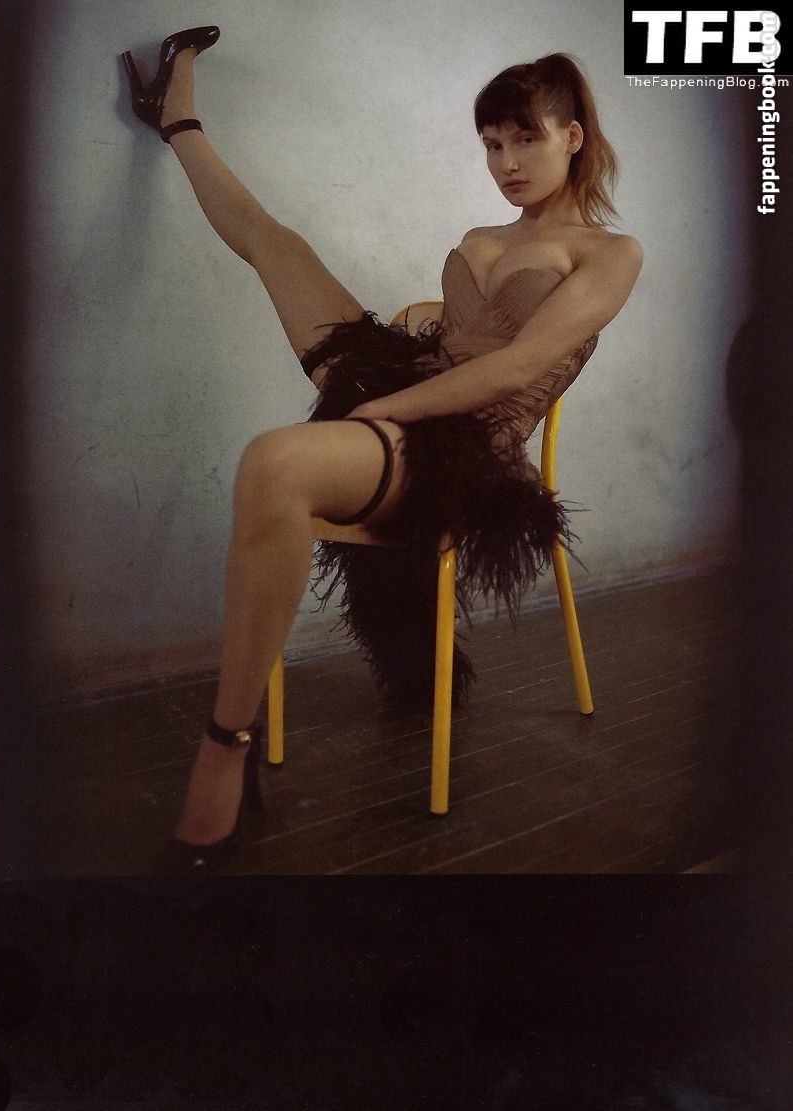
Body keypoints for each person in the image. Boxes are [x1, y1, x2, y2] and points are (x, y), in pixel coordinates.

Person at [121, 27, 642, 871]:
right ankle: (177, 119)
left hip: (464, 446)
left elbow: (517, 365)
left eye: (524, 138)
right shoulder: (484, 232)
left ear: (572, 136)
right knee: (277, 245)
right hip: (407, 394)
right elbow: (456, 339)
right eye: (491, 144)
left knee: (275, 460)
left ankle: (223, 748)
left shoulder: (612, 254)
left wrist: (380, 408)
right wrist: (400, 365)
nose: (506, 161)